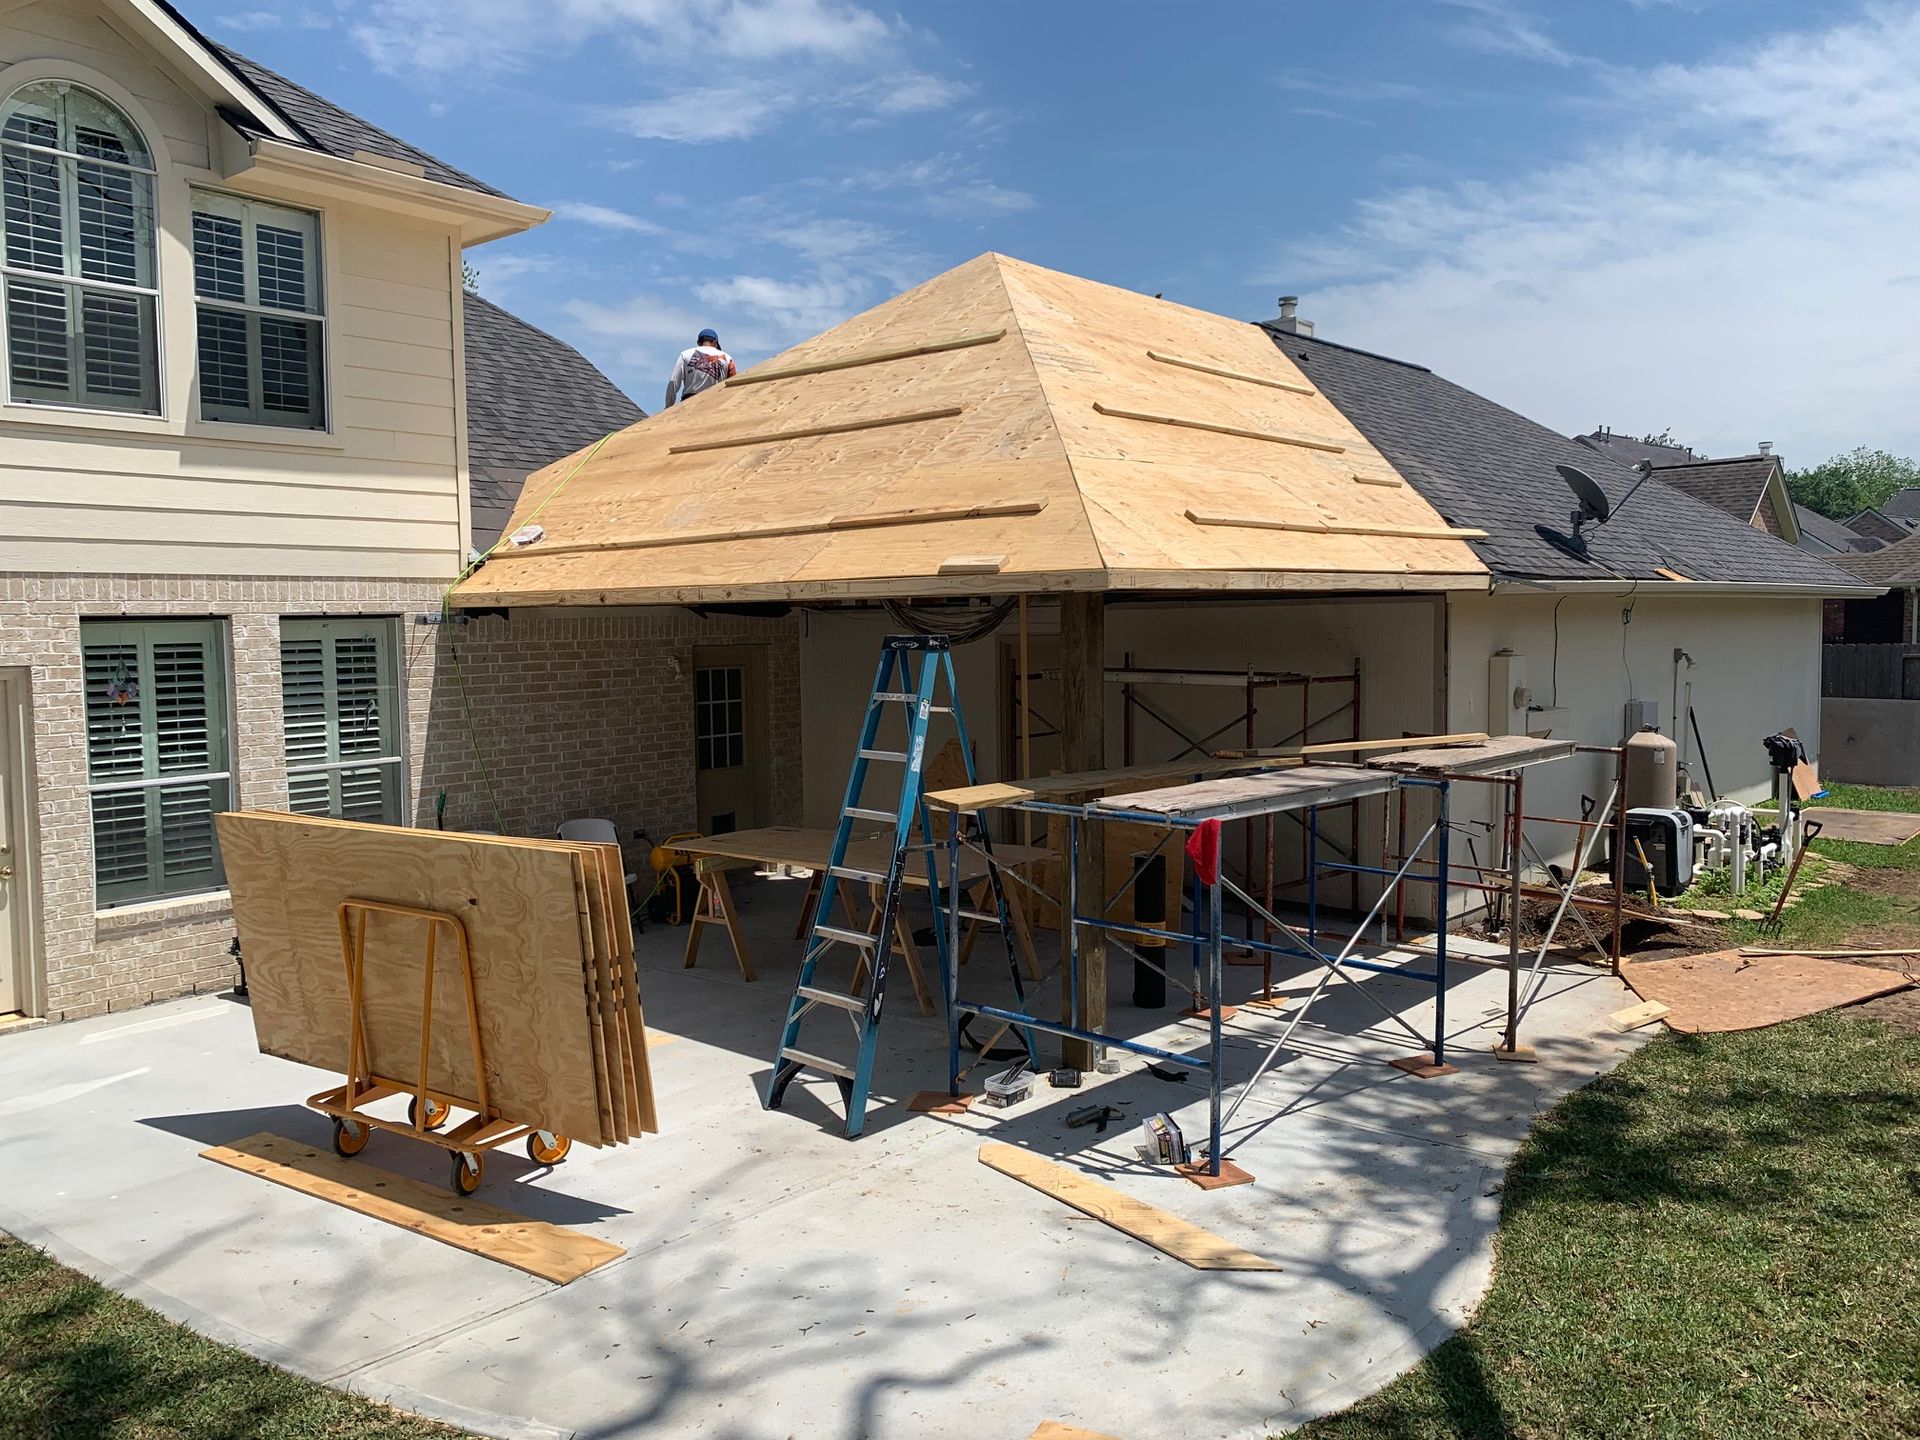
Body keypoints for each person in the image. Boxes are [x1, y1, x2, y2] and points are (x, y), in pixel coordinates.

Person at [664, 328, 737, 407]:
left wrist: (668, 407)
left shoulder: (685, 355)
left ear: (698, 342)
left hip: (688, 404)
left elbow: (673, 382)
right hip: (715, 403)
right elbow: (733, 385)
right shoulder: (728, 358)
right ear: (715, 342)